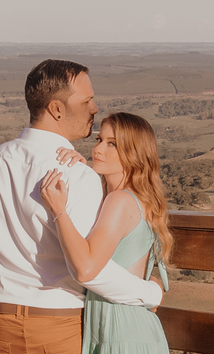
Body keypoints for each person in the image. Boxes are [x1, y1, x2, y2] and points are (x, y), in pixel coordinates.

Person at [0, 60, 163, 354]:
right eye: (86, 101)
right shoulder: (78, 176)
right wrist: (150, 292)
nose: (94, 108)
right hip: (59, 324)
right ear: (56, 109)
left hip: (1, 321)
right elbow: (89, 268)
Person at [40, 112, 172, 354]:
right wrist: (81, 172)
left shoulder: (120, 201)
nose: (98, 149)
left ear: (135, 152)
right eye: (99, 140)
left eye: (112, 144)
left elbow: (87, 266)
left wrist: (59, 210)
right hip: (124, 327)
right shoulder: (126, 199)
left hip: (121, 330)